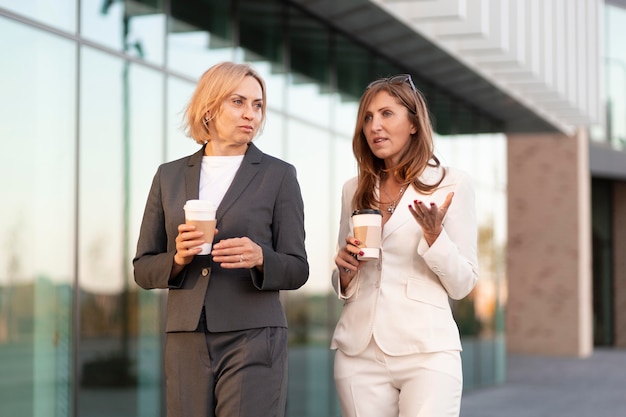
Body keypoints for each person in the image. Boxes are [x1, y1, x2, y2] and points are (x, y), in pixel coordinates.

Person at [133, 61, 309, 417]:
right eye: (238, 102)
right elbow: (143, 268)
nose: (251, 114)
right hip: (186, 337)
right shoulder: (168, 177)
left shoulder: (279, 176)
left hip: (255, 337)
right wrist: (178, 258)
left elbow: (297, 268)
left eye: (258, 105)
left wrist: (261, 257)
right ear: (210, 109)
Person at [331, 74, 479, 417]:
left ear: (413, 122)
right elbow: (346, 276)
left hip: (427, 352)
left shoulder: (451, 184)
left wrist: (434, 237)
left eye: (386, 114)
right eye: (367, 118)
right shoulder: (353, 189)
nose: (374, 126)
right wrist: (345, 273)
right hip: (358, 352)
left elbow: (463, 284)